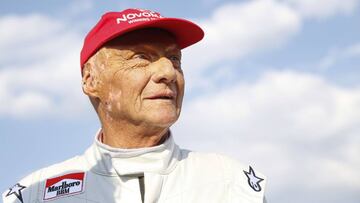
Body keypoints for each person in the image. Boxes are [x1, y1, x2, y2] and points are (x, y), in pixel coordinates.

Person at [3, 8, 267, 203]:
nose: (168, 72)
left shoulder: (232, 181)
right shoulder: (33, 194)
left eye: (175, 59)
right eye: (141, 57)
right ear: (90, 80)